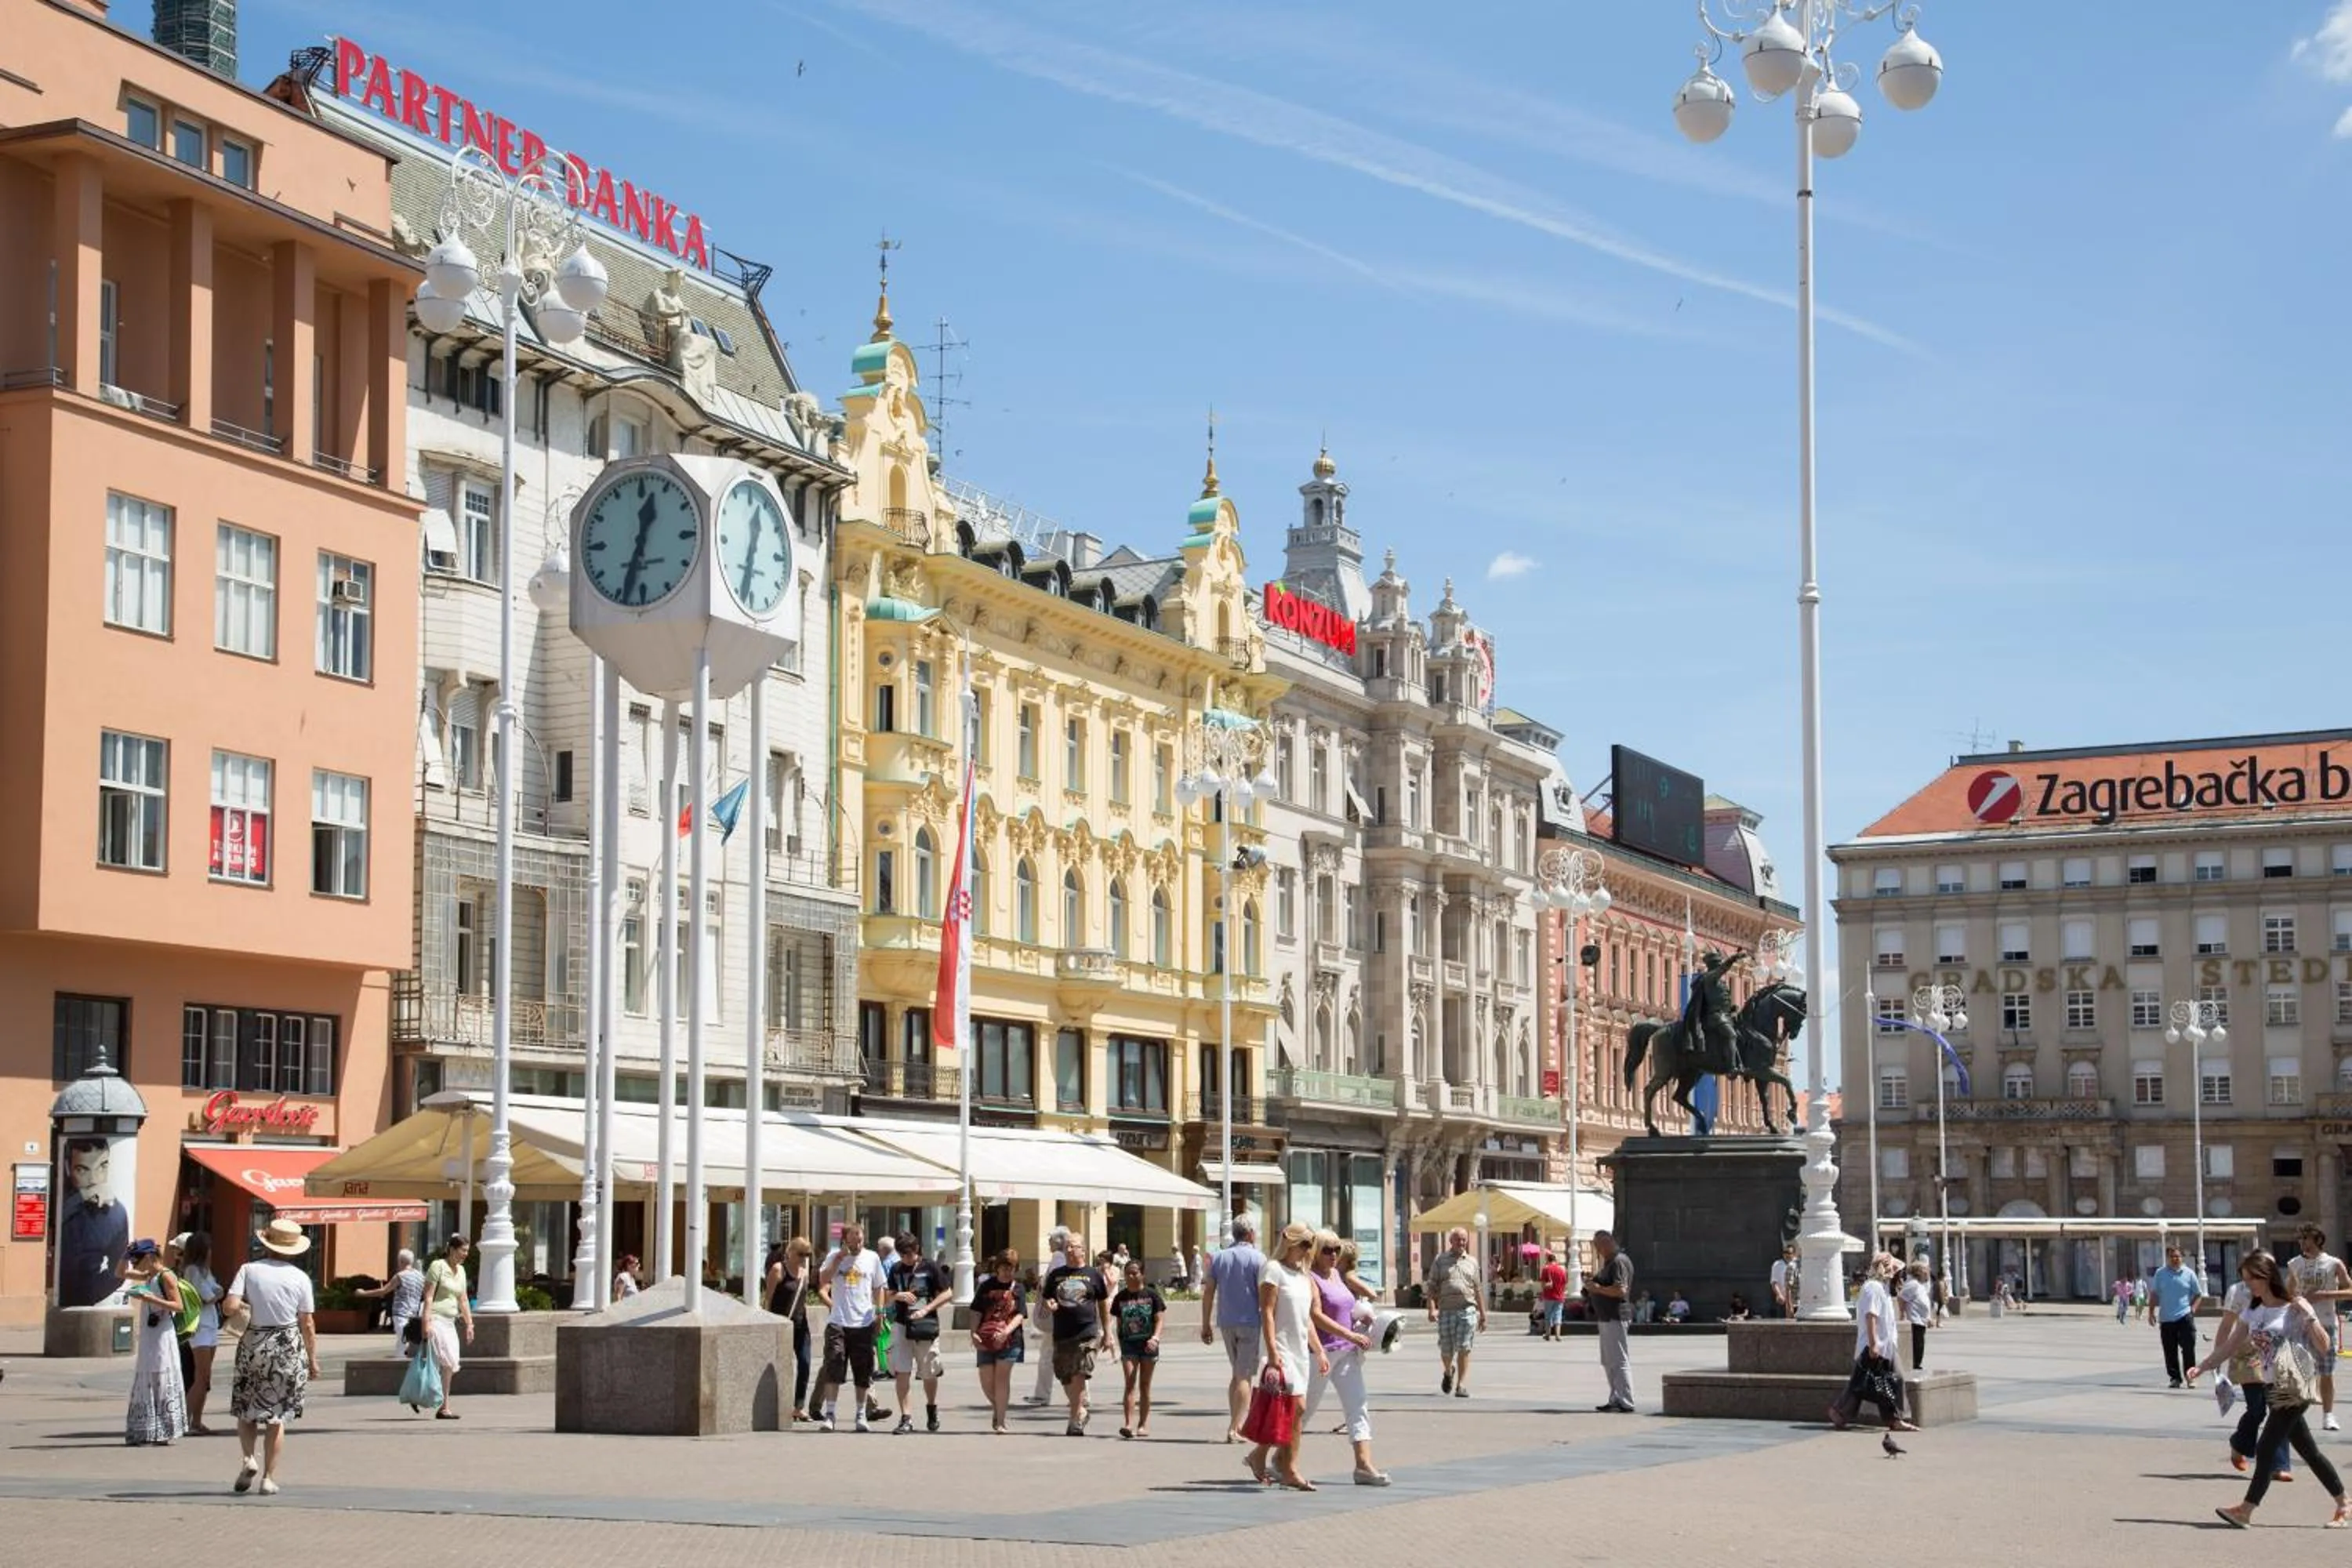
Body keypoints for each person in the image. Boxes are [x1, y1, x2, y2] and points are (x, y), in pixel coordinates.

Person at [2194, 1250, 2348, 1530]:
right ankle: (2344, 1504)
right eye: (2245, 1279)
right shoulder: (2253, 1311)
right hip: (2273, 1388)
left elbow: (2325, 1347)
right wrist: (2203, 1366)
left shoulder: (2293, 1307)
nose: (2249, 1284)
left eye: (2253, 1278)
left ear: (2267, 1276)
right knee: (2309, 1452)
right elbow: (2229, 1346)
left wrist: (2310, 1316)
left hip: (2295, 1388)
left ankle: (2245, 1510)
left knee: (2266, 1447)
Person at [223, 1218, 321, 1495]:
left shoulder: (248, 1270)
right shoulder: (300, 1278)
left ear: (266, 1243)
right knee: (276, 1417)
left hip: (254, 1342)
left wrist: (243, 1305)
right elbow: (308, 1323)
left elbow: (230, 1307)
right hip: (287, 1345)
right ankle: (267, 1478)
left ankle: (248, 1458)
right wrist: (312, 1359)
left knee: (246, 1408)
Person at [2191, 1256, 2293, 1484]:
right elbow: (2227, 1325)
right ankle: (2240, 1443)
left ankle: (2279, 1465)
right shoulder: (2238, 1292)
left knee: (2279, 1409)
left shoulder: (2282, 1293)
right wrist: (2213, 1361)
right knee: (2257, 1409)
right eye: (2248, 1277)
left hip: (2273, 1357)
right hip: (2245, 1355)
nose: (2251, 1281)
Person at [1303, 1229, 1388, 1486]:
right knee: (1302, 1411)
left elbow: (1344, 1308)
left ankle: (1363, 1466)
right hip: (1322, 1353)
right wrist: (1350, 1336)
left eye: (1336, 1249)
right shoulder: (1310, 1278)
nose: (1333, 1255)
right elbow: (1316, 1316)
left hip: (1347, 1353)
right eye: (1327, 1250)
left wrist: (1360, 1317)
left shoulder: (1338, 1276)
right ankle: (1273, 1458)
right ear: (1316, 1252)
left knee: (1358, 1406)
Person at [1246, 1222, 1323, 1491]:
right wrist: (1272, 1351)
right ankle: (1288, 1468)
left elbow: (1307, 1320)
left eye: (1310, 1245)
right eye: (1304, 1243)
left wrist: (1319, 1350)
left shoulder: (1304, 1277)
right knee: (1297, 1407)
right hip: (1281, 1348)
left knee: (1294, 1412)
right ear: (1289, 1242)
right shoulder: (1273, 1270)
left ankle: (1262, 1456)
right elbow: (1266, 1311)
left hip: (1300, 1350)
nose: (1308, 1249)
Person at [1828, 1252, 1916, 1433]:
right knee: (1883, 1380)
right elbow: (1871, 1316)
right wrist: (1874, 1343)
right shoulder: (1873, 1288)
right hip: (1875, 1345)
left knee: (1866, 1383)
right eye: (1896, 1271)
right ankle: (1895, 1418)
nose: (1898, 1276)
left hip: (1885, 1345)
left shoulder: (1881, 1288)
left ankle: (1841, 1413)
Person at [1200, 1217, 1267, 1441]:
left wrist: (1205, 1323)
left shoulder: (1219, 1258)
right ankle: (1236, 1428)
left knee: (1237, 1375)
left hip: (1227, 1322)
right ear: (1250, 1234)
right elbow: (1265, 1294)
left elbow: (1208, 1291)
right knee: (1244, 1376)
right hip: (1250, 1322)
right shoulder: (1259, 1258)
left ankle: (1234, 1421)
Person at [814, 1223, 884, 1432]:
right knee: (833, 1365)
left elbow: (879, 1286)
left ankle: (861, 1414)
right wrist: (839, 1259)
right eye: (853, 1241)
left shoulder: (872, 1258)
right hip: (838, 1321)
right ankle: (830, 1414)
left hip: (863, 1322)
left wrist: (880, 1312)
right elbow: (823, 1280)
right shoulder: (835, 1256)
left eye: (861, 1239)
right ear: (845, 1240)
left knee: (863, 1370)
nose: (858, 1244)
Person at [1042, 1232, 1109, 1436]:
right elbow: (1047, 1298)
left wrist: (1108, 1332)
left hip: (1087, 1331)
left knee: (1080, 1373)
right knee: (1065, 1376)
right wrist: (1049, 1303)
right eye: (1068, 1246)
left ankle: (1074, 1421)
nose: (1070, 1249)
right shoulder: (1056, 1275)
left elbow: (1103, 1303)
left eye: (1074, 1246)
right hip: (1062, 1333)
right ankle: (1080, 1410)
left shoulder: (1093, 1275)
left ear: (1083, 1249)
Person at [885, 1232, 953, 1434]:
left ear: (917, 1250)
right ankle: (906, 1418)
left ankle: (931, 1408)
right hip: (901, 1324)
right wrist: (898, 1295)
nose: (908, 1258)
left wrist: (926, 1309)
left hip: (925, 1325)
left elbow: (947, 1293)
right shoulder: (896, 1269)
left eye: (911, 1254)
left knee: (928, 1371)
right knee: (902, 1371)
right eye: (903, 1255)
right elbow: (887, 1295)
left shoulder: (930, 1266)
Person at [122, 1239, 187, 1446]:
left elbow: (178, 1306)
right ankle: (147, 1428)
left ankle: (166, 1430)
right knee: (148, 1376)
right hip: (150, 1334)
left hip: (163, 1334)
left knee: (161, 1376)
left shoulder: (167, 1276)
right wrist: (125, 1255)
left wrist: (150, 1299)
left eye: (137, 1260)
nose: (134, 1265)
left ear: (149, 1257)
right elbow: (120, 1273)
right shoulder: (149, 1275)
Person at [2288, 1224, 2350, 1432]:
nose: (2302, 1243)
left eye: (2306, 1239)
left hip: (2325, 1323)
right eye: (2300, 1239)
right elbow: (2288, 1292)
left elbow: (2350, 1291)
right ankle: (2294, 1415)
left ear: (2317, 1240)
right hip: (2300, 1323)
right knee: (2296, 1369)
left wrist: (2325, 1295)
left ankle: (2328, 1415)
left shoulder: (2333, 1263)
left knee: (2326, 1371)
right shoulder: (2294, 1264)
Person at [55, 1137, 129, 1308]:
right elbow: (52, 1226)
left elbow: (119, 1272)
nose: (94, 1180)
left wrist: (87, 1294)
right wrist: (81, 1198)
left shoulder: (116, 1214)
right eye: (83, 1170)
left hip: (84, 1301)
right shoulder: (62, 1202)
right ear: (68, 1168)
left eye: (102, 1167)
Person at [970, 1249, 1028, 1435]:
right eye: (1003, 1268)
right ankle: (998, 1407)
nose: (1007, 1272)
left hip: (1010, 1340)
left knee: (1002, 1379)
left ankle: (1001, 1421)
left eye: (1011, 1268)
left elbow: (1020, 1314)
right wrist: (973, 1333)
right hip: (986, 1338)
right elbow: (976, 1310)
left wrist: (1006, 1331)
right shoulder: (986, 1286)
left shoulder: (1018, 1288)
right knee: (987, 1382)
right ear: (997, 1268)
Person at [1425, 1226, 1486, 1398]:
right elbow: (1431, 1287)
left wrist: (1483, 1315)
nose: (1461, 1242)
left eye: (1464, 1239)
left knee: (1464, 1347)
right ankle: (1448, 1371)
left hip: (1467, 1310)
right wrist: (1432, 1308)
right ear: (1450, 1241)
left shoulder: (1472, 1262)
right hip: (1446, 1311)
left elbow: (1478, 1288)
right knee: (1446, 1349)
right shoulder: (1440, 1260)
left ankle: (1461, 1385)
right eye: (1458, 1239)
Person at [173, 1232, 223, 1436]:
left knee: (205, 1376)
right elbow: (209, 1296)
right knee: (201, 1376)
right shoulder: (192, 1270)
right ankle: (183, 1420)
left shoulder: (206, 1270)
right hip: (200, 1326)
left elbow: (216, 1292)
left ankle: (197, 1421)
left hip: (211, 1325)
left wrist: (216, 1294)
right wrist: (217, 1294)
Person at [1110, 1258, 1166, 1439]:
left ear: (1143, 1274)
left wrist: (1155, 1338)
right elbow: (1118, 1323)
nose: (1131, 1276)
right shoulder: (1120, 1298)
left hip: (1148, 1346)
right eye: (1128, 1273)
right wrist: (1119, 1342)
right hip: (1129, 1345)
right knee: (1129, 1383)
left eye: (1135, 1273)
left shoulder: (1151, 1295)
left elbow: (1159, 1320)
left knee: (1145, 1385)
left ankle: (1143, 1425)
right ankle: (1128, 1424)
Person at [419, 1236, 474, 1419]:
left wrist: (469, 1324)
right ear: (451, 1249)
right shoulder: (437, 1266)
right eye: (463, 1250)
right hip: (435, 1318)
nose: (465, 1254)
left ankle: (443, 1405)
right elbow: (428, 1297)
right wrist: (426, 1323)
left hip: (450, 1321)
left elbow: (463, 1299)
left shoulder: (462, 1271)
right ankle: (430, 1396)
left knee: (451, 1362)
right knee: (442, 1358)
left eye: (467, 1251)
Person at [764, 1238, 814, 1421]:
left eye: (807, 1255)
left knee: (805, 1362)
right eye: (800, 1254)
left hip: (801, 1324)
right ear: (790, 1251)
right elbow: (768, 1299)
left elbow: (803, 1299)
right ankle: (778, 1404)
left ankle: (799, 1406)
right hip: (781, 1323)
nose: (803, 1258)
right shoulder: (779, 1269)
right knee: (782, 1365)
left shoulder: (804, 1272)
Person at [1587, 1229, 1635, 1413]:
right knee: (1608, 1360)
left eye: (1599, 1246)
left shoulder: (1618, 1261)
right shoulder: (1609, 1261)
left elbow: (1621, 1290)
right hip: (1606, 1317)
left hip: (1616, 1315)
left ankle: (1626, 1399)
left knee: (1619, 1359)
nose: (1598, 1250)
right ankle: (1616, 1397)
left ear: (1608, 1243)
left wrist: (1598, 1289)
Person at [2147, 1243, 2205, 1388]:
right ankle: (2175, 1378)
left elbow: (2198, 1294)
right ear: (2168, 1258)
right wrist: (2151, 1312)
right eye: (2172, 1256)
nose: (2175, 1259)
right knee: (2170, 1350)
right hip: (2167, 1318)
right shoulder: (2161, 1273)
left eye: (2178, 1256)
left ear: (2182, 1257)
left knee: (2188, 1348)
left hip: (2185, 1316)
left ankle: (2190, 1377)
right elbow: (2154, 1294)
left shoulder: (2189, 1273)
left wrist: (2193, 1310)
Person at [1027, 1225, 1072, 1408]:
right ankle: (1082, 1396)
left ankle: (1042, 1394)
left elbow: (1052, 1284)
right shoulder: (1066, 1258)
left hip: (1055, 1314)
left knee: (1048, 1356)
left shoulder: (1058, 1258)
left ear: (1058, 1241)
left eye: (1050, 1240)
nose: (1048, 1243)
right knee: (1071, 1355)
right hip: (1064, 1314)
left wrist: (1041, 1285)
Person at [358, 1249, 424, 1356]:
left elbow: (384, 1291)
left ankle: (400, 1364)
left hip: (401, 1313)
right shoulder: (420, 1277)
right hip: (414, 1315)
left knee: (403, 1341)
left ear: (401, 1261)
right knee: (406, 1342)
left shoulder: (400, 1276)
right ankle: (402, 1363)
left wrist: (363, 1293)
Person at [1899, 1260, 1935, 1370]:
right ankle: (1914, 1367)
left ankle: (1916, 1365)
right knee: (1917, 1346)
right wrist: (1902, 1314)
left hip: (1921, 1321)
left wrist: (1928, 1317)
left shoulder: (1919, 1285)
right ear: (1920, 1272)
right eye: (1927, 1270)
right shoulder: (1913, 1285)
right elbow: (1901, 1298)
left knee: (1919, 1347)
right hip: (1914, 1321)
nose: (1929, 1272)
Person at [1538, 1250, 1570, 1341]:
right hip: (1560, 1296)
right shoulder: (1562, 1270)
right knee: (1558, 1314)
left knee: (1548, 1315)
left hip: (1549, 1296)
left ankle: (1548, 1334)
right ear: (1556, 1260)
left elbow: (1543, 1285)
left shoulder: (1546, 1269)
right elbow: (1565, 1283)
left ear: (1548, 1260)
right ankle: (1558, 1335)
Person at [1771, 1243, 1798, 1319]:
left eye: (1789, 1253)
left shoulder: (1797, 1264)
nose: (1787, 1255)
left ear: (1794, 1254)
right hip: (1783, 1299)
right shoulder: (1777, 1265)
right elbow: (1774, 1282)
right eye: (1785, 1253)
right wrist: (1779, 1294)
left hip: (1796, 1300)